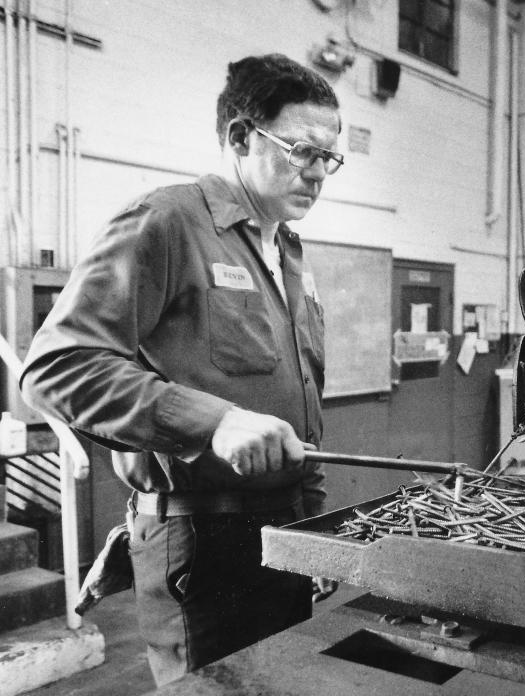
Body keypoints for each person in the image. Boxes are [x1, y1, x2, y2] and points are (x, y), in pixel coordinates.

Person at [19, 53, 342, 686]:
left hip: (283, 531)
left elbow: (300, 406)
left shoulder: (290, 256)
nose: (317, 172)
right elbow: (56, 367)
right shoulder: (169, 222)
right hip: (200, 540)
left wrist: (315, 528)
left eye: (328, 157)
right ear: (241, 137)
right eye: (301, 149)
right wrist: (212, 422)